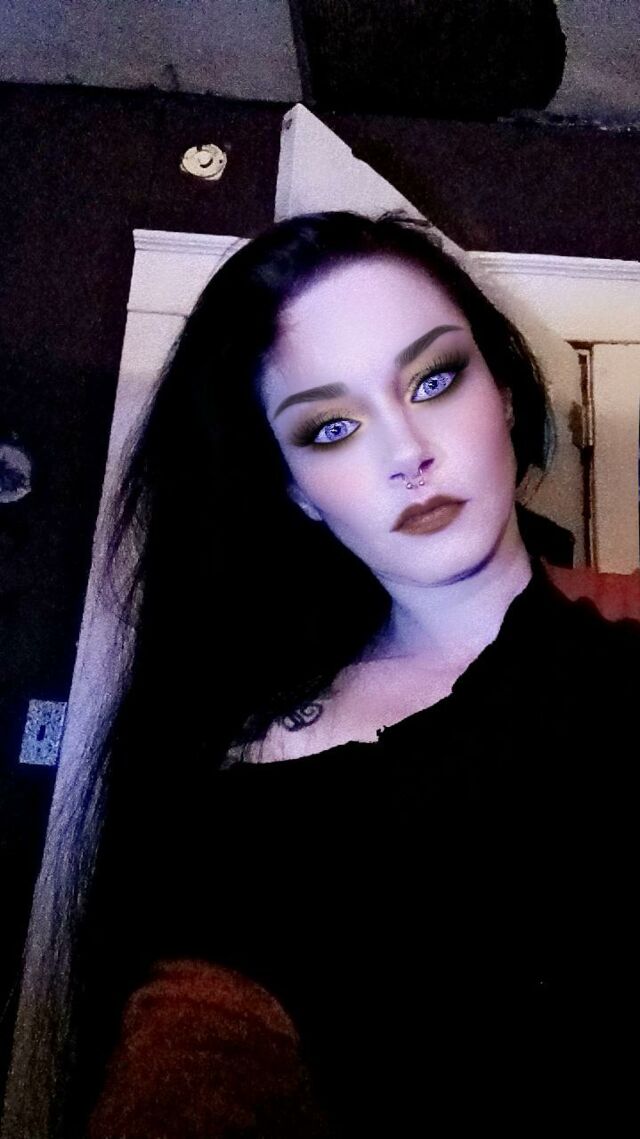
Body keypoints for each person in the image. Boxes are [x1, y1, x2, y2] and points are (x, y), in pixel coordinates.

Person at [3, 210, 638, 1139]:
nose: (407, 453)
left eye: (433, 379)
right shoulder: (251, 780)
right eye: (332, 426)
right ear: (295, 488)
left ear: (503, 392)